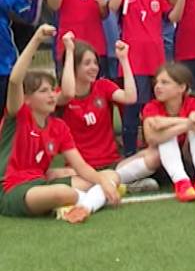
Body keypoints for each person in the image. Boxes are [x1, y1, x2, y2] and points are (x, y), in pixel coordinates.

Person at [0, 24, 122, 223]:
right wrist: (37, 39)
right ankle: (87, 201)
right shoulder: (18, 116)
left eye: (51, 90)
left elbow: (82, 167)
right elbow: (15, 80)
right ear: (27, 99)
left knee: (110, 175)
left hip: (42, 181)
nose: (51, 96)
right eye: (44, 91)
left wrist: (103, 181)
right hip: (12, 188)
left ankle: (83, 207)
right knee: (61, 192)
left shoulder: (58, 127)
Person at [57, 34, 160, 192]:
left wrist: (124, 59)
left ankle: (109, 183)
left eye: (95, 63)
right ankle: (119, 184)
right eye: (87, 63)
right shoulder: (62, 95)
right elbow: (69, 93)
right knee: (55, 175)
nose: (94, 68)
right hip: (80, 169)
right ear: (73, 67)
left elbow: (130, 97)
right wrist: (69, 51)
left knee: (155, 156)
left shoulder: (103, 86)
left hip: (112, 164)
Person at [109, 0, 180, 156]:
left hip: (156, 62)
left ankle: (158, 151)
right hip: (134, 62)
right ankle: (130, 153)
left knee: (156, 108)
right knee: (133, 110)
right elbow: (112, 6)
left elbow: (173, 17)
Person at [141, 62, 195, 202]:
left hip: (189, 159)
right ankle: (181, 183)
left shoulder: (193, 103)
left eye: (165, 82)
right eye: (157, 82)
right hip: (163, 165)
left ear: (181, 87)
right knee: (167, 136)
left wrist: (167, 122)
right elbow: (151, 138)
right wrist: (188, 122)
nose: (158, 86)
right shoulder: (152, 106)